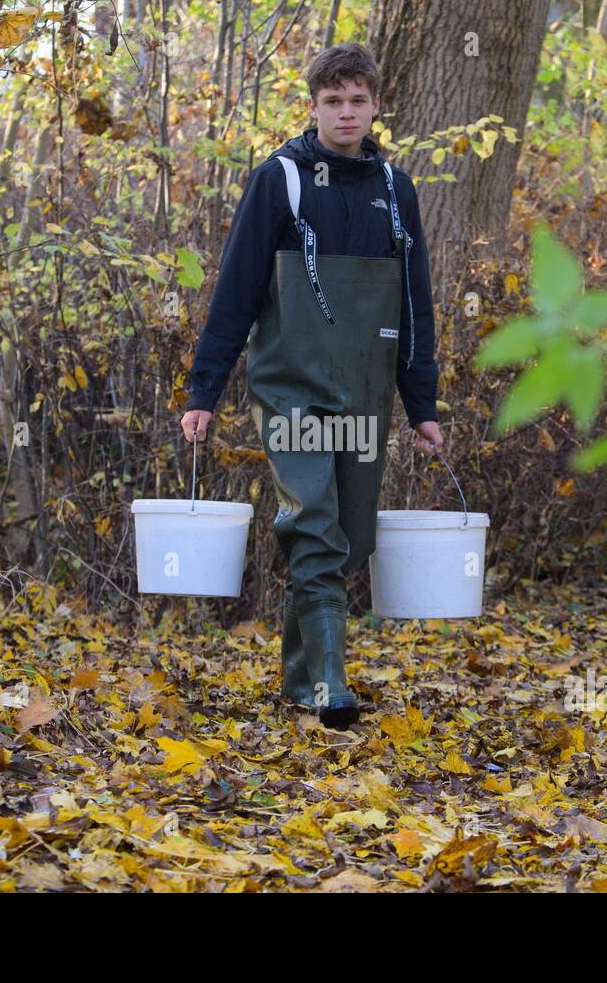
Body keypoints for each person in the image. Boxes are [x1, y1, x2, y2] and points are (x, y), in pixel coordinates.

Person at [179, 42, 443, 728]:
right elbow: (235, 290)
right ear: (315, 106)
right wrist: (204, 390)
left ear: (376, 105)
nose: (346, 112)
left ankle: (302, 678)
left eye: (358, 100)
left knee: (349, 536)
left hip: (365, 393)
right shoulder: (282, 180)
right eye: (333, 101)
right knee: (317, 528)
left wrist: (423, 405)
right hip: (291, 388)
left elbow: (415, 304)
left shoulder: (396, 191)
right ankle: (329, 682)